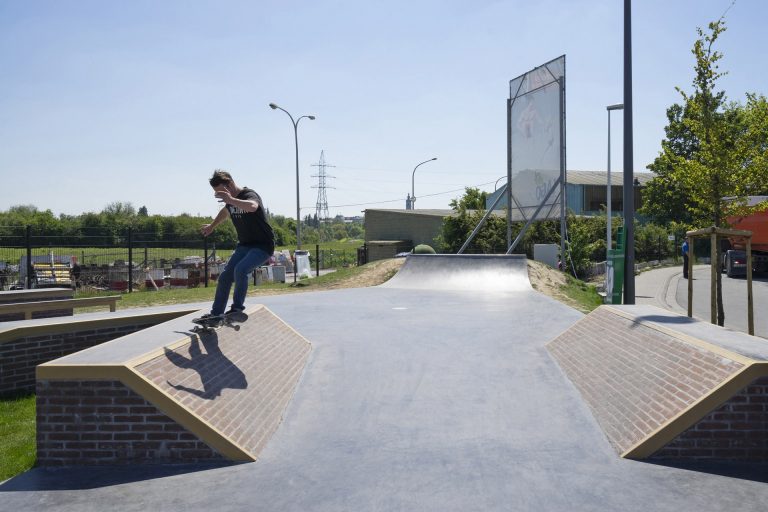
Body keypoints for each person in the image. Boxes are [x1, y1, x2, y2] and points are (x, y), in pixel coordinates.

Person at [199, 170, 275, 320]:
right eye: (218, 193)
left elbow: (253, 206)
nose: (222, 196)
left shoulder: (249, 194)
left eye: (222, 192)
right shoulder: (230, 201)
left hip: (262, 246)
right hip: (244, 246)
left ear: (230, 184)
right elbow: (225, 212)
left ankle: (237, 309)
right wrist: (212, 226)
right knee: (225, 276)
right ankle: (216, 314)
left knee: (240, 270)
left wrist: (231, 199)